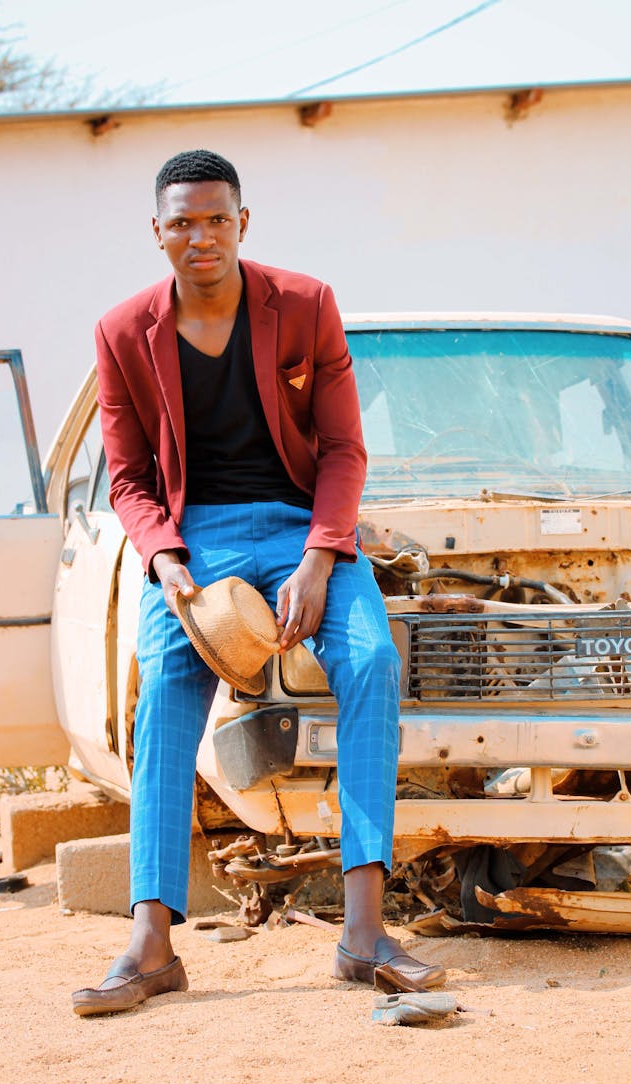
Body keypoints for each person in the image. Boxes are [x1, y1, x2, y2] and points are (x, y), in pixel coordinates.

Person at [72, 149, 444, 1016]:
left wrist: (321, 554)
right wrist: (164, 559)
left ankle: (362, 934)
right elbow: (128, 476)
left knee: (371, 661)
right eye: (182, 223)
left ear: (245, 222)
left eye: (216, 219)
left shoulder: (305, 304)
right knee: (160, 694)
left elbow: (345, 448)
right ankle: (152, 943)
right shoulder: (123, 330)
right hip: (192, 541)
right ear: (156, 233)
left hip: (301, 525)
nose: (200, 238)